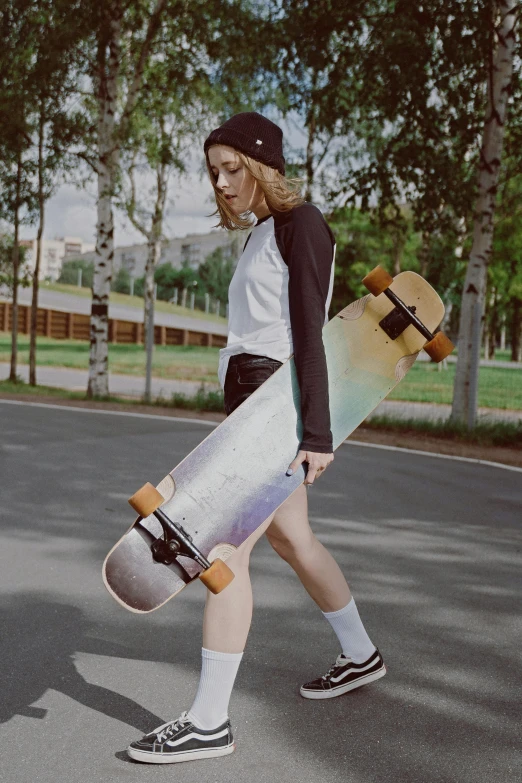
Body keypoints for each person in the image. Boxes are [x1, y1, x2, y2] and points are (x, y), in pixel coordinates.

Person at [127, 112, 386, 765]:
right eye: (213, 171)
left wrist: (317, 432)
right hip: (252, 405)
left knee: (223, 553)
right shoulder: (263, 234)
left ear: (265, 164)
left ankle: (210, 721)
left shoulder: (302, 225)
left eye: (232, 167)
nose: (220, 182)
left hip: (274, 407)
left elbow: (311, 334)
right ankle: (360, 652)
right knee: (291, 537)